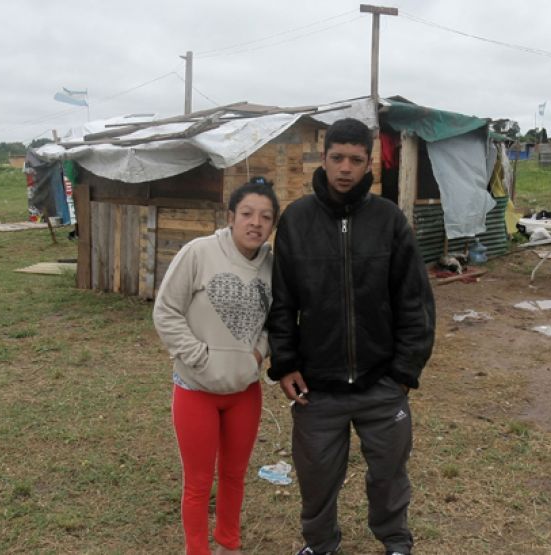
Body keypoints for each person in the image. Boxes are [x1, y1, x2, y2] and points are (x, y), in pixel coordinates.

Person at [267, 118, 436, 555]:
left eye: (356, 160)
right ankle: (319, 545)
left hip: (381, 383)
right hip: (316, 388)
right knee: (316, 476)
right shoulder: (298, 220)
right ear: (323, 159)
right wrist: (284, 364)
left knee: (388, 474)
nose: (345, 168)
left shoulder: (389, 220)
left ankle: (395, 541)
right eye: (337, 158)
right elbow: (282, 301)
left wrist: (403, 372)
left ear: (369, 166)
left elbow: (414, 301)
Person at [153, 177, 280, 555]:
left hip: (244, 392)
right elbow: (166, 312)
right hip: (196, 391)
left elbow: (278, 320)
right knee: (197, 482)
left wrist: (257, 355)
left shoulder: (273, 266)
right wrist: (198, 357)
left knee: (234, 476)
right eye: (247, 214)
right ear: (230, 217)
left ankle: (228, 543)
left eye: (266, 216)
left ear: (273, 225)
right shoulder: (199, 253)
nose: (255, 223)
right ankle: (197, 550)